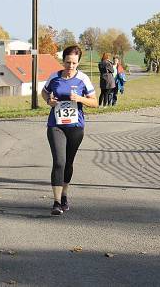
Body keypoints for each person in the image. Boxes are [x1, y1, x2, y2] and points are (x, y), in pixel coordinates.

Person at [41, 45, 98, 216]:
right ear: (63, 60)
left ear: (78, 62)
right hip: (56, 125)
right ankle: (57, 202)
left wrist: (80, 98)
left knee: (68, 163)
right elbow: (44, 93)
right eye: (67, 62)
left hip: (75, 127)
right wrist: (49, 101)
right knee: (59, 161)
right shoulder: (55, 77)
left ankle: (64, 194)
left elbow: (94, 102)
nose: (70, 66)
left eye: (74, 63)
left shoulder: (83, 79)